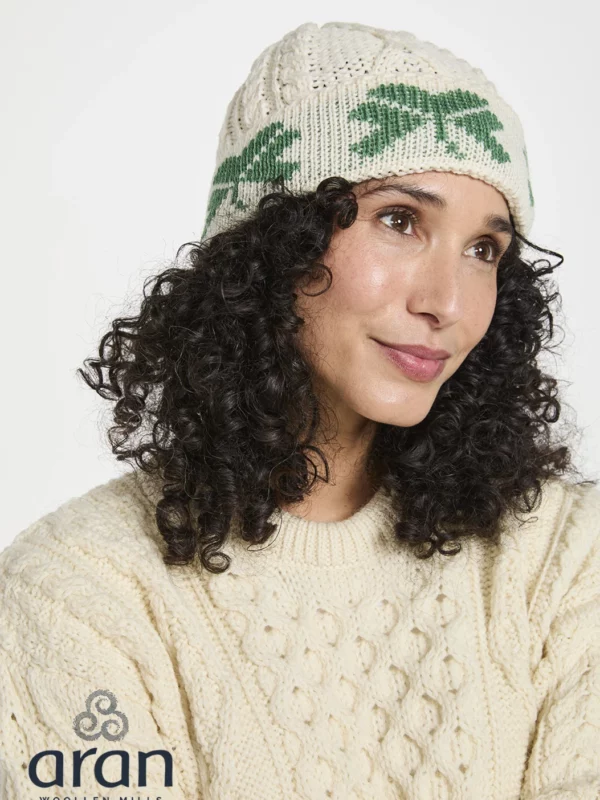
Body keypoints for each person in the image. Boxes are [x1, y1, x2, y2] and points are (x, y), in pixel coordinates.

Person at [0, 20, 598, 800]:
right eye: (399, 220)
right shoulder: (80, 593)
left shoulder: (563, 559)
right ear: (273, 244)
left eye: (484, 249)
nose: (448, 303)